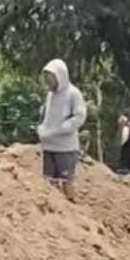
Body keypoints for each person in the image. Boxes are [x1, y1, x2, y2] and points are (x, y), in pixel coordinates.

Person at [37, 58, 87, 203]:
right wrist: (42, 129)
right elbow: (47, 116)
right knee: (49, 183)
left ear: (60, 76)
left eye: (50, 77)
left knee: (66, 182)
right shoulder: (50, 95)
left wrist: (59, 130)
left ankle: (71, 208)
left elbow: (79, 117)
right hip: (49, 146)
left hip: (65, 147)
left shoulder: (73, 93)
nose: (47, 81)